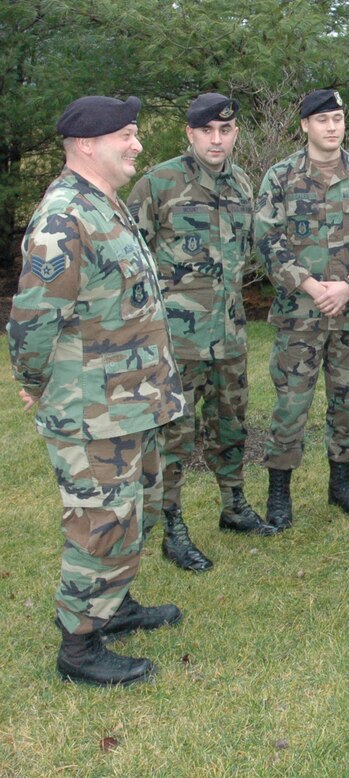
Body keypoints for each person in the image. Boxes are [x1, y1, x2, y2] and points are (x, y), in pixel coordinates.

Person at [7, 96, 186, 686]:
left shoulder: (103, 204)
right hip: (92, 413)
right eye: (127, 136)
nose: (137, 145)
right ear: (88, 144)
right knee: (100, 524)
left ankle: (116, 605)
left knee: (134, 513)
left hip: (131, 400)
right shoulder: (63, 215)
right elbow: (32, 320)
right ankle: (79, 647)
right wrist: (36, 383)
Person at [129, 93, 273, 574]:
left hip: (229, 335)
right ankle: (173, 527)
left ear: (235, 134)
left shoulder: (242, 184)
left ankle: (234, 506)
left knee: (230, 425)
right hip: (176, 342)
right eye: (207, 131)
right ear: (189, 134)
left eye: (226, 131)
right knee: (174, 436)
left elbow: (247, 254)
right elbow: (131, 262)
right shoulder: (158, 183)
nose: (217, 140)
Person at [255, 88, 349, 528]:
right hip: (300, 315)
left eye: (338, 118)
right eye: (323, 120)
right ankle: (279, 493)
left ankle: (342, 485)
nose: (332, 127)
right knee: (291, 406)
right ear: (305, 126)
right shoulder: (281, 177)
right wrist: (314, 287)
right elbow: (268, 242)